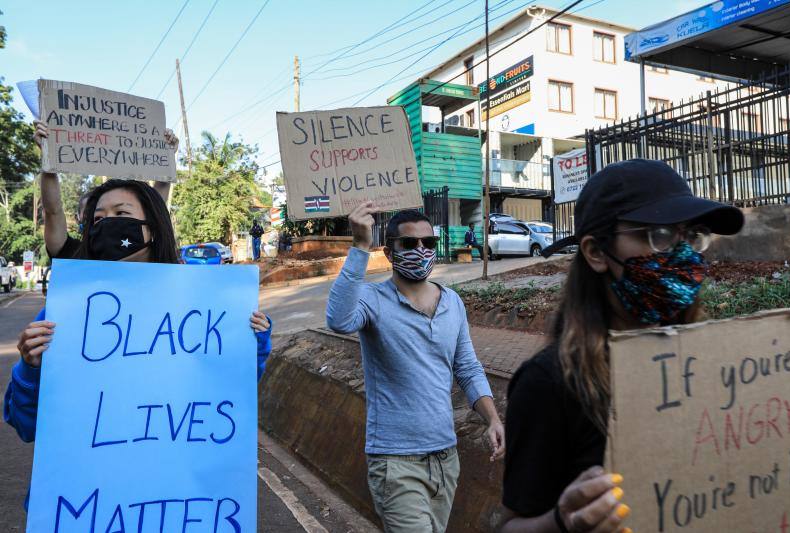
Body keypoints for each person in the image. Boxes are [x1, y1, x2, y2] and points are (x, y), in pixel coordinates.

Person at [497, 159, 744, 533]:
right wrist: (563, 521)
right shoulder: (549, 383)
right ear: (596, 252)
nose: (681, 254)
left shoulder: (712, 364)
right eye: (658, 234)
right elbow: (509, 527)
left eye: (692, 235)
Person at [3, 179, 273, 506]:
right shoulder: (64, 313)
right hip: (82, 503)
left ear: (152, 227)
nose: (108, 224)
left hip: (168, 502)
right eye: (98, 219)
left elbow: (225, 401)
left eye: (121, 213)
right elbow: (26, 426)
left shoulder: (201, 308)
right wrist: (30, 369)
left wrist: (251, 345)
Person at [326, 204, 505, 533]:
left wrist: (492, 418)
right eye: (409, 244)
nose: (421, 251)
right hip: (395, 462)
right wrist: (359, 246)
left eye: (428, 244)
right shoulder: (373, 300)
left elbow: (466, 367)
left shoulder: (453, 302)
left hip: (445, 459)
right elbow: (337, 319)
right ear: (389, 251)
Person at [33, 121, 179, 260]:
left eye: (121, 212)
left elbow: (157, 200)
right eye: (97, 217)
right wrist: (49, 156)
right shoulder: (73, 255)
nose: (108, 221)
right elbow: (53, 210)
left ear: (152, 223)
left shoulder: (166, 272)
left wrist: (165, 157)